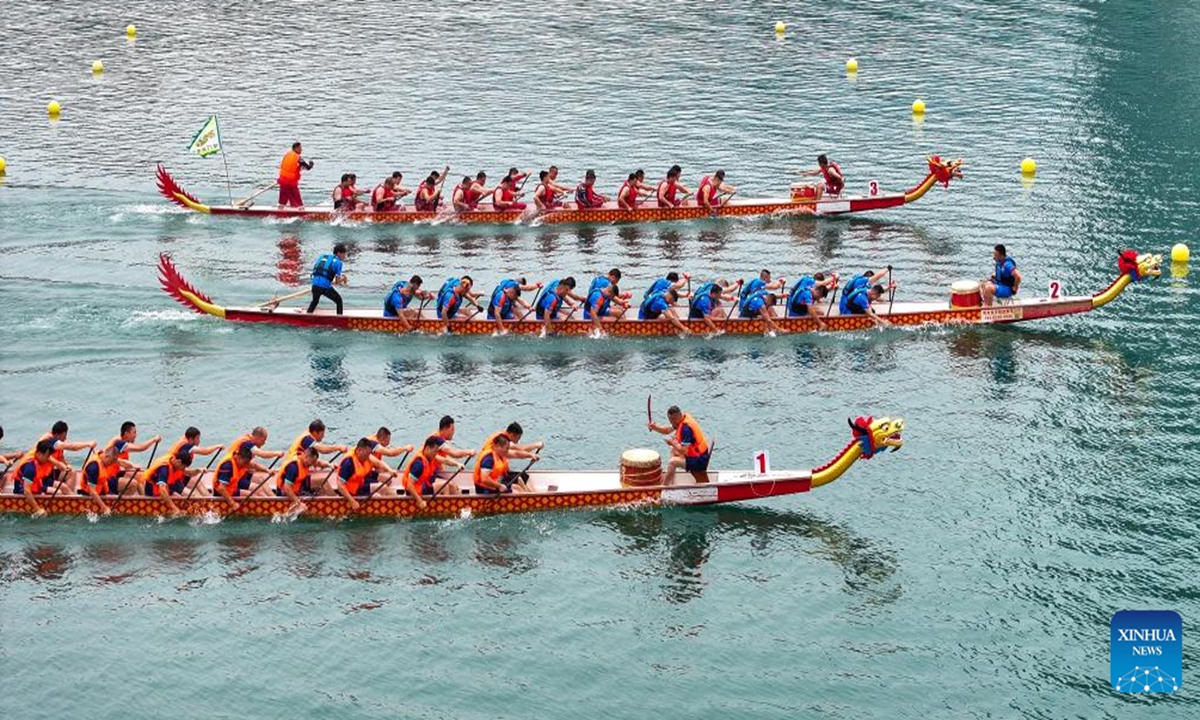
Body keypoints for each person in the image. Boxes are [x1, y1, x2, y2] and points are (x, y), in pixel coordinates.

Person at [647, 405, 711, 485]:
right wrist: (655, 427)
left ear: (674, 419)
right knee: (673, 451)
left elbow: (683, 450)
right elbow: (666, 430)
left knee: (672, 462)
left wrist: (672, 443)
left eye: (671, 421)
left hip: (699, 460)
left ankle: (664, 488)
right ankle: (671, 479)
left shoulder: (686, 429)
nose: (671, 423)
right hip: (696, 455)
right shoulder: (681, 420)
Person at [30, 420, 96, 494]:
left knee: (71, 473)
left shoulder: (57, 445)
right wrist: (87, 444)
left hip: (49, 473)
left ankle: (68, 495)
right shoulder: (49, 440)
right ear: (57, 435)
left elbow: (61, 459)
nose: (65, 439)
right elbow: (72, 447)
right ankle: (70, 497)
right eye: (64, 436)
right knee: (63, 487)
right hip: (39, 476)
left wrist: (66, 466)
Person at [403, 437, 466, 510]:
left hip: (422, 485)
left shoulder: (430, 455)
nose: (436, 454)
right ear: (427, 448)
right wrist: (420, 502)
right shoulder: (419, 464)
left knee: (451, 485)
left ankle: (460, 507)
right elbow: (409, 485)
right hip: (415, 491)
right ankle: (446, 511)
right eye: (435, 451)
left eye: (437, 452)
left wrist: (457, 464)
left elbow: (445, 461)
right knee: (445, 486)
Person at [212, 444, 274, 509]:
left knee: (252, 494)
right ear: (239, 457)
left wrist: (267, 471)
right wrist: (232, 503)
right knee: (252, 496)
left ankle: (268, 505)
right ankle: (266, 508)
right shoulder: (227, 466)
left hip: (231, 489)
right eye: (245, 463)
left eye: (247, 463)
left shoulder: (241, 460)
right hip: (221, 494)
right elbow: (221, 488)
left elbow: (254, 465)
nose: (246, 465)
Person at [275, 446, 332, 514]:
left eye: (314, 462)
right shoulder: (293, 467)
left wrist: (330, 465)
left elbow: (318, 463)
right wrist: (299, 503)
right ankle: (334, 504)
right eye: (312, 462)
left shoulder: (304, 458)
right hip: (285, 492)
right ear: (306, 457)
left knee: (323, 481)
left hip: (299, 484)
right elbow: (286, 488)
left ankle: (334, 499)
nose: (312, 464)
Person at [141, 449, 195, 518]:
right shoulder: (164, 469)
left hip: (170, 483)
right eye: (183, 467)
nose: (183, 469)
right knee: (178, 499)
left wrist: (199, 470)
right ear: (179, 462)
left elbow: (189, 472)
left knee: (191, 495)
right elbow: (162, 490)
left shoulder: (173, 460)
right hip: (153, 488)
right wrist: (174, 508)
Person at [11, 440, 57, 516]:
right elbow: (26, 491)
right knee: (56, 492)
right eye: (47, 456)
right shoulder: (30, 468)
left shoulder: (38, 461)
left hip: (36, 486)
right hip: (21, 491)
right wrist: (38, 509)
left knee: (58, 492)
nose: (49, 458)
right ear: (39, 454)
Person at [79, 444, 123, 514]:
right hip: (88, 494)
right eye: (111, 462)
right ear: (106, 456)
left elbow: (120, 462)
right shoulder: (94, 467)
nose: (112, 464)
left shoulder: (104, 457)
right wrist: (104, 508)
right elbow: (92, 491)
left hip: (102, 489)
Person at [308, 244, 348, 315]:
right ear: (338, 253)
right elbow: (337, 282)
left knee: (315, 301)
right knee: (339, 300)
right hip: (324, 287)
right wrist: (344, 278)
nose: (344, 256)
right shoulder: (338, 263)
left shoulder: (323, 256)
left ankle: (307, 316)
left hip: (314, 285)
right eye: (343, 254)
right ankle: (339, 319)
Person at [278, 141, 314, 208]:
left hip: (282, 180)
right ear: (296, 148)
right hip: (290, 183)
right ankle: (300, 210)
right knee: (298, 202)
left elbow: (292, 167)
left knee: (282, 201)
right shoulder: (298, 158)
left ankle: (280, 210)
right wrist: (311, 164)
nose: (301, 150)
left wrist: (300, 167)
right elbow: (308, 167)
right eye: (300, 148)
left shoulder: (287, 155)